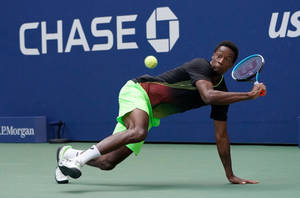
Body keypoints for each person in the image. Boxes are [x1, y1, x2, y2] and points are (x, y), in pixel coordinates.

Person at [55, 41, 266, 185]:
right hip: (138, 91)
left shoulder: (224, 94)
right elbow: (207, 96)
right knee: (139, 131)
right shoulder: (200, 65)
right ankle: (78, 162)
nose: (220, 60)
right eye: (218, 55)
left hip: (150, 112)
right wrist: (248, 96)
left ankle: (69, 154)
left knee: (107, 163)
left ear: (231, 64)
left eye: (226, 59)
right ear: (212, 55)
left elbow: (221, 136)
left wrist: (230, 175)